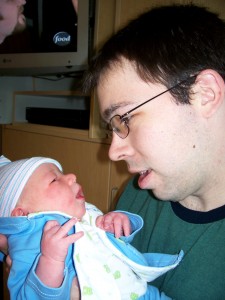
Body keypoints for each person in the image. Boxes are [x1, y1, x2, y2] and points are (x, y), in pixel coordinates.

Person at [83, 3, 225, 300]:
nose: (113, 152)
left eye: (124, 119)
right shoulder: (137, 198)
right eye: (112, 128)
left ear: (204, 94)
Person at [0, 155, 183, 300]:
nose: (71, 176)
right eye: (54, 180)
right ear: (22, 214)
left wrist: (116, 224)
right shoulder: (29, 240)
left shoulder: (85, 213)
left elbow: (115, 247)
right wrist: (50, 259)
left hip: (140, 292)